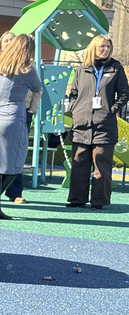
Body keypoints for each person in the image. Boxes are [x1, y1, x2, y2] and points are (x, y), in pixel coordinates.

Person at [0, 33, 42, 220]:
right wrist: (30, 109)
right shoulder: (26, 69)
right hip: (14, 116)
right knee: (15, 163)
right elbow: (37, 87)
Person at [66, 35, 129, 210]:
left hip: (104, 124)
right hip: (81, 123)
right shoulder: (82, 69)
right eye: (102, 46)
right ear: (94, 47)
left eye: (108, 47)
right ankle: (77, 200)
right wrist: (75, 108)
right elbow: (73, 93)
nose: (105, 49)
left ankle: (99, 201)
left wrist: (112, 109)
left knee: (101, 163)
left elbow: (124, 93)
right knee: (79, 162)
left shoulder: (115, 68)